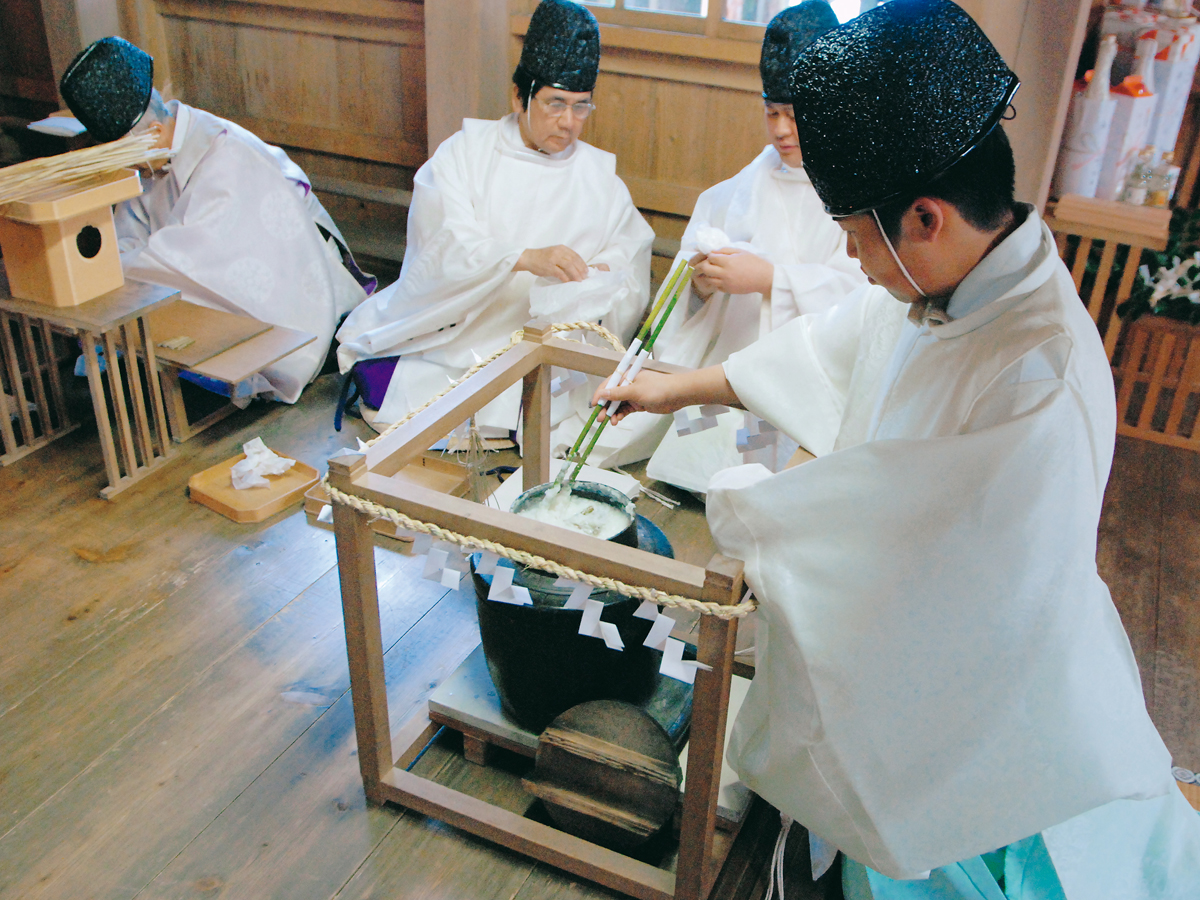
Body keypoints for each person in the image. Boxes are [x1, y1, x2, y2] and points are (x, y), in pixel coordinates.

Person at [598, 2, 1200, 897]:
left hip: (981, 660)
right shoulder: (940, 282)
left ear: (925, 217)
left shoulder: (1041, 369)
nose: (853, 260)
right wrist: (675, 384)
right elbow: (827, 348)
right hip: (930, 631)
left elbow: (922, 553)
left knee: (971, 839)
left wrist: (757, 517)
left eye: (851, 238)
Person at [334, 0, 652, 444]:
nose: (568, 123)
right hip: (459, 333)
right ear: (520, 96)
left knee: (575, 402)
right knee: (409, 385)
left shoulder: (599, 177)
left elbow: (629, 255)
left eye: (581, 108)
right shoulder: (466, 154)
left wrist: (600, 278)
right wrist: (521, 258)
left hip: (545, 347)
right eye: (555, 103)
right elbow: (442, 243)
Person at [59, 37, 373, 405]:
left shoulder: (227, 158)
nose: (131, 171)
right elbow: (129, 239)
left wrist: (107, 268)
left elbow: (194, 259)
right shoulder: (155, 152)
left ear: (153, 133)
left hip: (303, 286)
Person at [641, 0, 865, 492]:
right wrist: (699, 285)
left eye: (796, 114)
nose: (782, 130)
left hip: (804, 392)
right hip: (726, 375)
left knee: (775, 495)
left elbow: (865, 301)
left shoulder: (860, 192)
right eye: (773, 113)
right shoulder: (735, 191)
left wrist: (771, 281)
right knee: (694, 481)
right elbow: (683, 289)